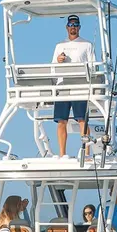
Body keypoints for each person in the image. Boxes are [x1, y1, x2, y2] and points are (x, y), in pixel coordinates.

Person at [51, 14, 96, 157]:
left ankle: (86, 152)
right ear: (66, 27)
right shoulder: (59, 46)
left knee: (82, 119)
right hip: (63, 86)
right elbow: (52, 67)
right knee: (61, 121)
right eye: (70, 25)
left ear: (79, 27)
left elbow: (94, 66)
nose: (73, 28)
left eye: (75, 25)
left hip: (80, 86)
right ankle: (62, 154)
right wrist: (58, 60)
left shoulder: (87, 45)